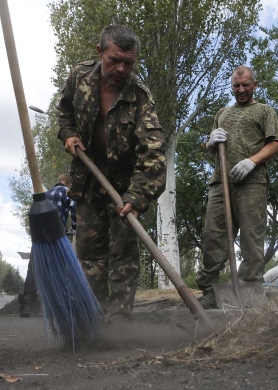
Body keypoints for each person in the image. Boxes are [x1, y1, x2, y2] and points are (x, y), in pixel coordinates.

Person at [56, 25, 166, 323]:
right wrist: (68, 134)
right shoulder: (79, 77)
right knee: (90, 254)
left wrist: (138, 196)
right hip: (88, 179)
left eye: (129, 63)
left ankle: (119, 323)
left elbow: (153, 153)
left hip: (125, 185)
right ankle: (93, 319)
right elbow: (64, 112)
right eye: (114, 60)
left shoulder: (140, 97)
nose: (121, 69)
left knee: (124, 254)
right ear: (99, 52)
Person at [196, 66, 278, 309]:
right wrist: (210, 142)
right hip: (219, 183)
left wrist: (251, 161)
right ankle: (210, 291)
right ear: (232, 86)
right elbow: (212, 149)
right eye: (236, 85)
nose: (241, 89)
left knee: (252, 239)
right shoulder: (222, 113)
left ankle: (248, 289)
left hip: (251, 183)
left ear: (255, 85)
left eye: (246, 85)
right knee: (213, 237)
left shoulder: (265, 111)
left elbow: (275, 144)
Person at [19, 174, 77, 318]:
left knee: (33, 269)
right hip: (57, 236)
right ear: (68, 183)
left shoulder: (44, 194)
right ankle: (61, 305)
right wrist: (74, 227)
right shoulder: (66, 191)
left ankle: (27, 304)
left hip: (39, 237)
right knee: (60, 269)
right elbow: (74, 208)